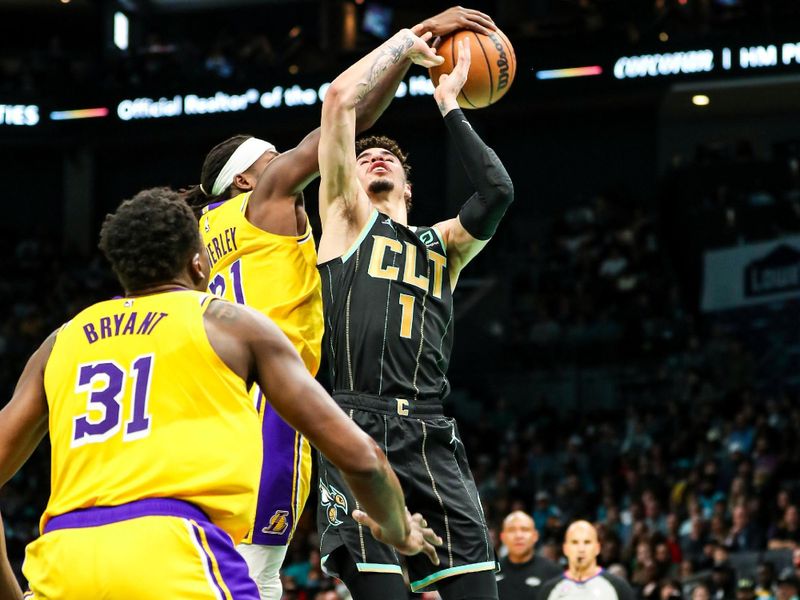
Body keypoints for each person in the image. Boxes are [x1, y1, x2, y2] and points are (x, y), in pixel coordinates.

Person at [182, 7, 497, 600]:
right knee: (258, 574)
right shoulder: (270, 202)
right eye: (272, 159)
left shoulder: (203, 237)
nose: (289, 165)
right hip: (280, 403)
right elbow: (344, 110)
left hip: (220, 404)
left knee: (243, 572)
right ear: (249, 180)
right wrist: (409, 43)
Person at [0, 188, 441, 600]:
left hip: (60, 562)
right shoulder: (229, 323)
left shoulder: (60, 342)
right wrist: (399, 527)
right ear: (197, 264)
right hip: (177, 551)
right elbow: (362, 457)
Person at [316, 18, 514, 599]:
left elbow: (497, 193)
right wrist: (408, 43)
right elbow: (337, 100)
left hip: (428, 431)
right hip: (352, 423)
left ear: (409, 188)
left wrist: (451, 105)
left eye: (389, 159)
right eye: (365, 155)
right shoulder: (345, 218)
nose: (375, 158)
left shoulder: (444, 247)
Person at [538, 520, 635, 600]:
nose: (581, 549)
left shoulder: (619, 587)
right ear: (565, 549)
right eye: (575, 542)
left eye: (587, 542)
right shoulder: (549, 590)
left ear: (597, 548)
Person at [495, 511, 561, 599]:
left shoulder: (553, 571)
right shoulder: (492, 573)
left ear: (535, 536)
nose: (518, 536)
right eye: (512, 530)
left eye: (524, 529)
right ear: (502, 537)